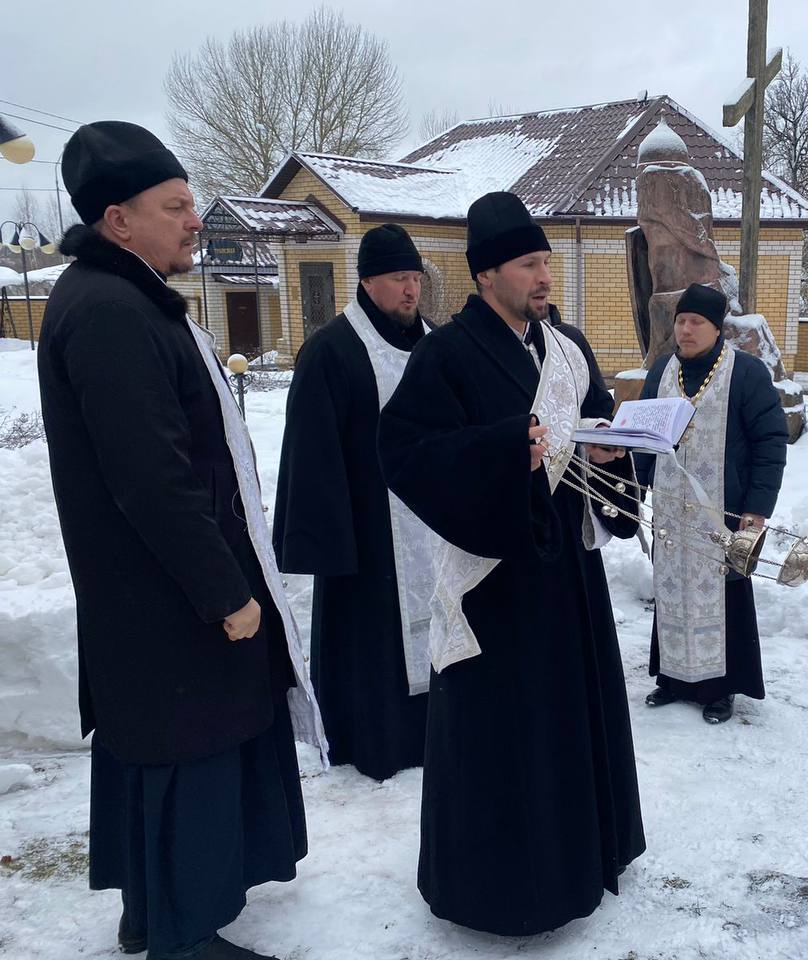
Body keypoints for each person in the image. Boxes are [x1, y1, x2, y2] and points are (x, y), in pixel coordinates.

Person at [37, 120, 324, 960]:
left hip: (150, 597)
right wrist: (224, 590)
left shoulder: (122, 297)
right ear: (118, 220)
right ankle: (185, 933)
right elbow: (152, 479)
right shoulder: (111, 312)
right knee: (188, 748)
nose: (195, 220)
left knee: (163, 746)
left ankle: (153, 910)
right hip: (165, 598)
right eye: (175, 207)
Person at [377, 191, 645, 936]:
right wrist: (503, 451)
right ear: (487, 274)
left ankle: (583, 857)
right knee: (507, 738)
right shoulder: (446, 354)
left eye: (546, 262)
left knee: (569, 722)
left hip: (569, 576)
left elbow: (589, 426)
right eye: (529, 264)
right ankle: (503, 891)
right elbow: (405, 453)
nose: (544, 277)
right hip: (495, 580)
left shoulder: (568, 347)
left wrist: (608, 451)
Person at [273, 224, 434, 781]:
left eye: (415, 278)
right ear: (366, 281)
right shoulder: (331, 350)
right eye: (398, 278)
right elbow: (312, 450)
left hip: (434, 524)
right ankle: (376, 743)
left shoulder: (436, 344)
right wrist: (329, 541)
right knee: (372, 642)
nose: (410, 290)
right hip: (367, 529)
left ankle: (437, 730)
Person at [636, 283, 787, 724]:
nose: (685, 329)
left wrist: (756, 509)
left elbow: (770, 442)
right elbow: (644, 437)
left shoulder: (746, 373)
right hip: (670, 510)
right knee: (672, 590)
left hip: (723, 512)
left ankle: (722, 689)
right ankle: (672, 678)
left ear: (716, 328)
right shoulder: (663, 370)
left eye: (696, 322)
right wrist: (634, 487)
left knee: (724, 596)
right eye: (681, 321)